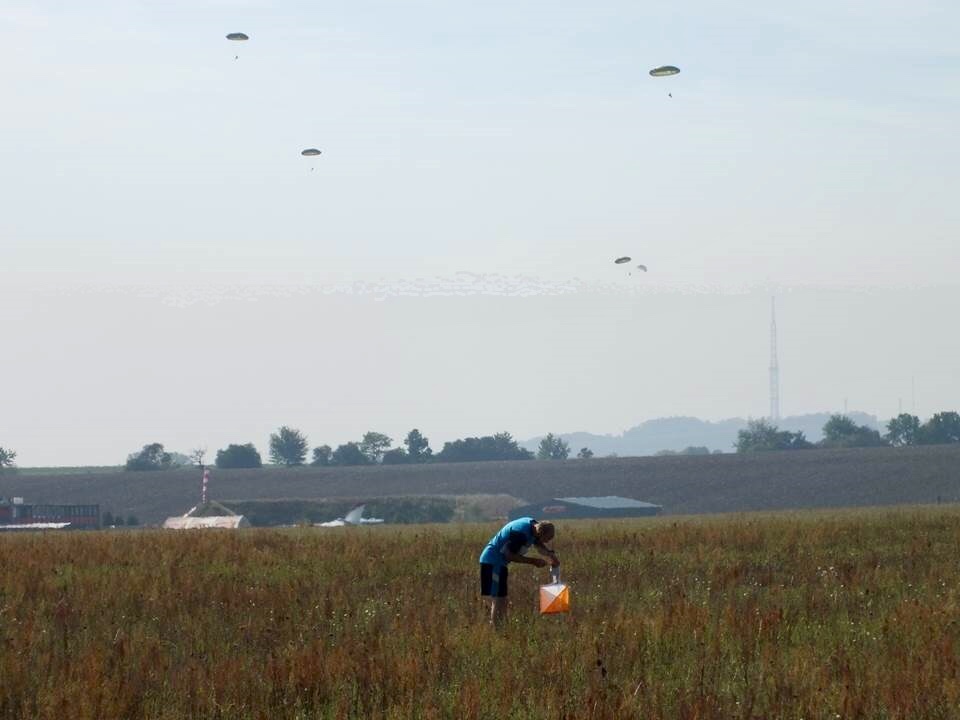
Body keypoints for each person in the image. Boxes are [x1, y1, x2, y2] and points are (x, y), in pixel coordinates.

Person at [479, 517, 559, 626]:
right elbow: (510, 555)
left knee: (501, 599)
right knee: (499, 599)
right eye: (547, 538)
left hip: (498, 563)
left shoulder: (533, 525)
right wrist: (533, 561)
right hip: (492, 561)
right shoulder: (520, 534)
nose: (548, 541)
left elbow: (539, 544)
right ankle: (497, 630)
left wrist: (551, 556)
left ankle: (499, 625)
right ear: (541, 533)